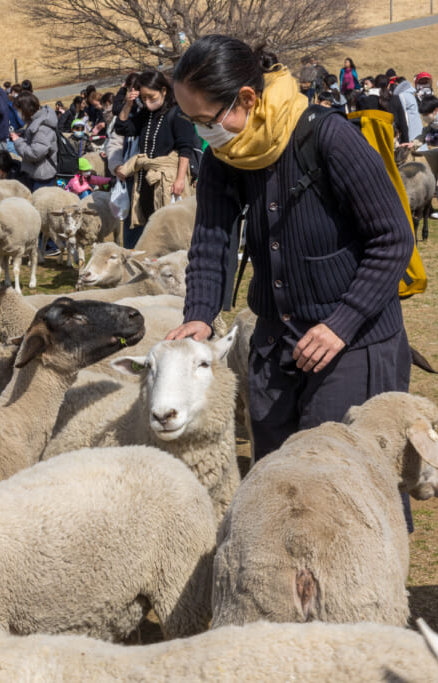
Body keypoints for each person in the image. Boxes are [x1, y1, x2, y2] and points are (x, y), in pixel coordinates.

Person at [168, 35, 413, 479]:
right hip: (276, 342)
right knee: (276, 483)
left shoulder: (329, 136)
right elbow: (210, 240)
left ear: (246, 97)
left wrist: (342, 322)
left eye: (206, 119)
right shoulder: (225, 155)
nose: (203, 132)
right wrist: (200, 313)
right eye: (191, 121)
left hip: (353, 340)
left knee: (345, 482)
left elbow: (392, 238)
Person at [114, 70, 196, 246]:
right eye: (143, 98)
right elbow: (122, 128)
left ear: (164, 91)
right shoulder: (146, 115)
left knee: (170, 227)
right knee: (149, 226)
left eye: (151, 96)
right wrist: (128, 104)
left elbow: (185, 147)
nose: (147, 102)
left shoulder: (178, 113)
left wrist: (180, 179)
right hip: (145, 180)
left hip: (168, 179)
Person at [9, 92, 58, 191]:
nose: (18, 113)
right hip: (36, 172)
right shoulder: (36, 121)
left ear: (26, 109)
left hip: (42, 176)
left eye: (19, 110)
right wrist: (23, 134)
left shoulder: (41, 127)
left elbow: (35, 153)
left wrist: (18, 141)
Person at [418, 95, 438, 219]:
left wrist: (430, 139)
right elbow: (424, 133)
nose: (425, 116)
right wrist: (413, 144)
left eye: (426, 113)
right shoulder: (435, 120)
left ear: (435, 110)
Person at [390, 73, 423, 144]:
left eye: (396, 85)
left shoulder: (402, 96)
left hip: (410, 127)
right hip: (418, 126)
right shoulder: (411, 94)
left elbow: (401, 114)